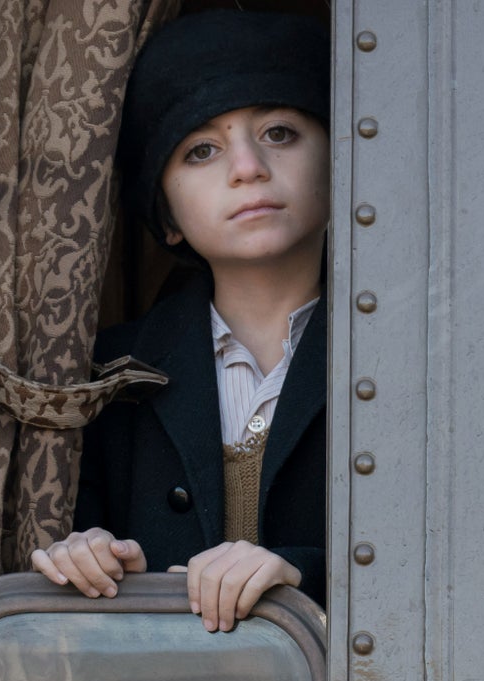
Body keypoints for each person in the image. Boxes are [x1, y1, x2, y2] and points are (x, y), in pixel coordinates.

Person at [29, 11, 331, 630]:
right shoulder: (105, 378)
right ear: (165, 215)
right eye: (201, 150)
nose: (247, 166)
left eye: (279, 132)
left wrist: (298, 574)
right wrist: (87, 561)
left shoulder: (410, 355)